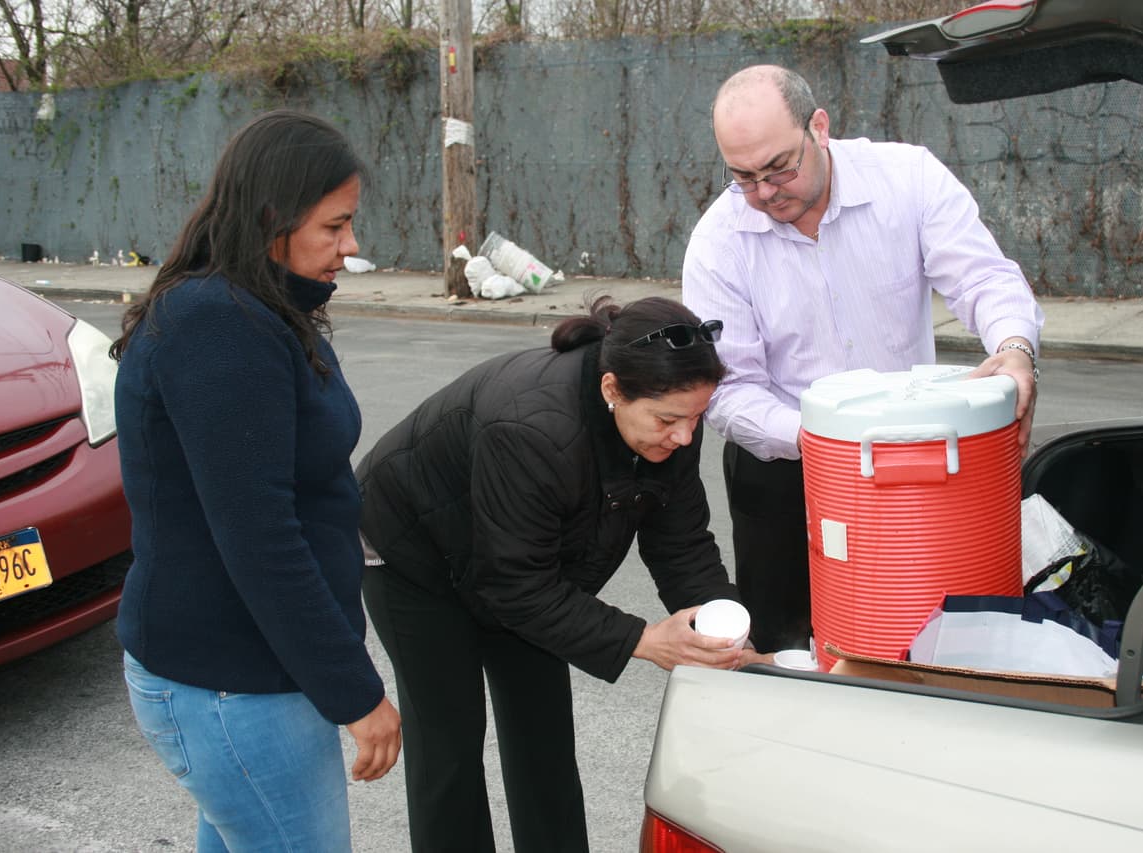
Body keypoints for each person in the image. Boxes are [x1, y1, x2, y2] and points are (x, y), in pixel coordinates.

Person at [356, 295, 758, 853]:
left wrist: (735, 638)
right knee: (449, 743)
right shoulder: (531, 427)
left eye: (697, 418)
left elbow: (682, 544)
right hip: (414, 555)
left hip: (518, 563)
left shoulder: (670, 418)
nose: (685, 437)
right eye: (670, 420)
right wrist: (643, 640)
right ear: (612, 389)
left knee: (542, 735)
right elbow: (517, 585)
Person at [110, 110, 401, 852]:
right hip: (229, 684)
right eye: (335, 226)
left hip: (252, 674)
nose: (351, 245)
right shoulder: (220, 325)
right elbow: (260, 536)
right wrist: (356, 692)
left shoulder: (258, 309)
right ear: (274, 217)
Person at [681, 64, 1046, 654]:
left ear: (818, 128)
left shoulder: (908, 179)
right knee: (788, 643)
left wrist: (1014, 348)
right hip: (785, 465)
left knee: (927, 632)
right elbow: (726, 388)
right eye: (744, 177)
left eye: (779, 167)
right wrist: (829, 440)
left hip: (918, 461)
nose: (767, 192)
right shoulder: (719, 241)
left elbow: (983, 277)